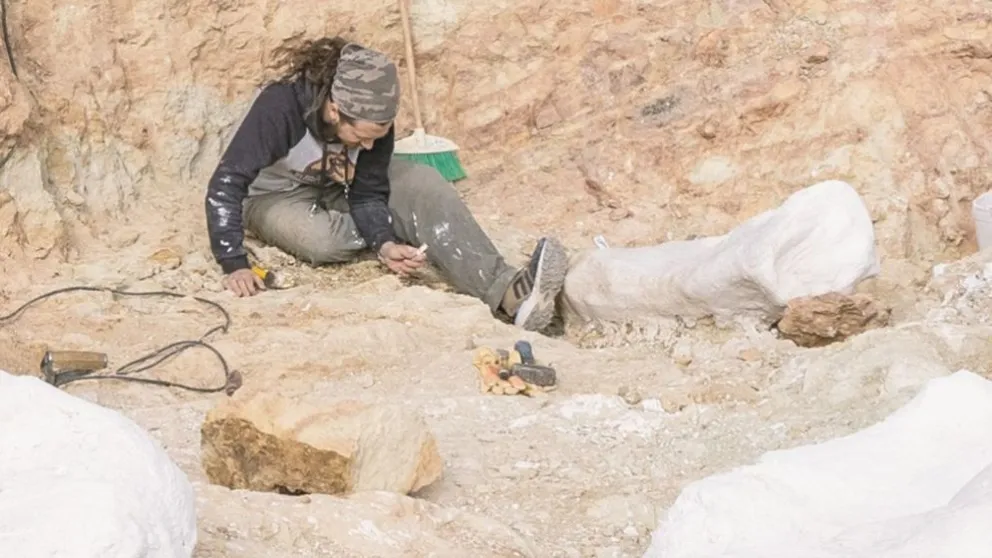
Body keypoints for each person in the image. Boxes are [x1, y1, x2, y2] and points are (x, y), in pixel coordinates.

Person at [203, 36, 568, 331]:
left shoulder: (375, 125)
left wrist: (383, 243)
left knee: (423, 183)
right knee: (319, 240)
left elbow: (367, 192)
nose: (368, 147)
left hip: (339, 185)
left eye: (376, 138)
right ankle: (417, 230)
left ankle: (508, 293)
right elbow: (227, 182)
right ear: (335, 110)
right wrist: (234, 262)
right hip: (274, 195)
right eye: (360, 137)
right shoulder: (281, 106)